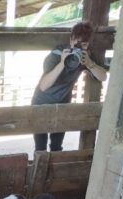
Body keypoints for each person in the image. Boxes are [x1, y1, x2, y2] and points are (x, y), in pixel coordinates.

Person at [31, 21, 107, 152]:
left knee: (56, 146)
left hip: (62, 104)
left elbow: (103, 77)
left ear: (88, 44)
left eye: (84, 44)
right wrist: (62, 63)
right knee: (40, 147)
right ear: (71, 39)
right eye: (77, 43)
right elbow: (43, 86)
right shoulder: (56, 54)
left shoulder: (86, 56)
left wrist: (89, 64)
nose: (79, 47)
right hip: (41, 103)